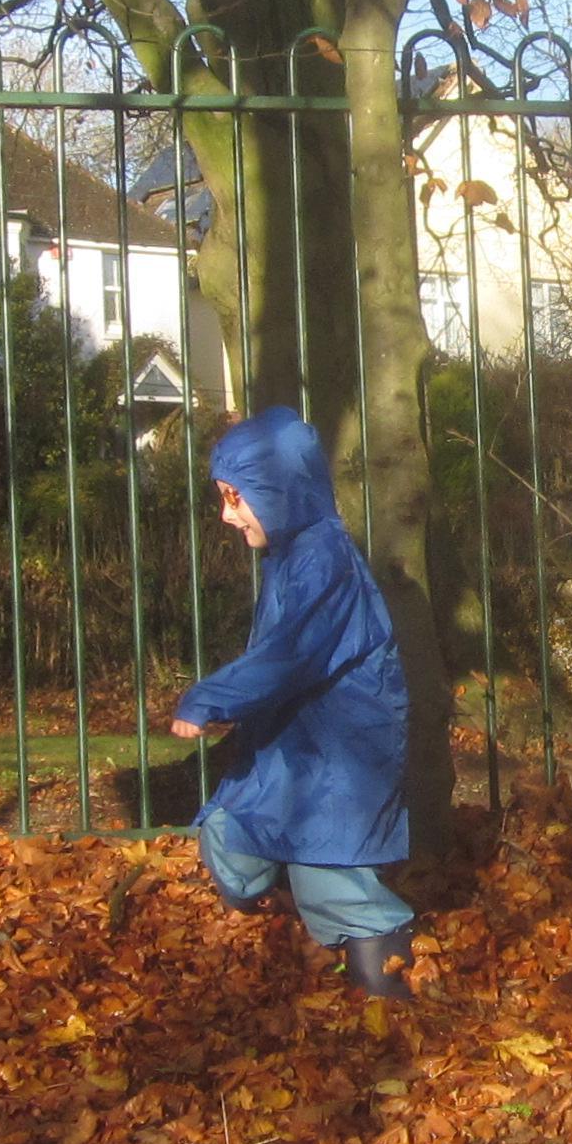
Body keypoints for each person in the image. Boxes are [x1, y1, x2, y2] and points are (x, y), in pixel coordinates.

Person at [164, 406, 418, 1002]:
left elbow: (293, 652)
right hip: (294, 745)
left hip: (340, 750)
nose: (227, 515)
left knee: (329, 872)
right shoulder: (293, 554)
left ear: (278, 491)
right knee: (231, 836)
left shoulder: (325, 558)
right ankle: (290, 934)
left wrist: (212, 698)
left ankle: (389, 994)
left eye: (236, 498)